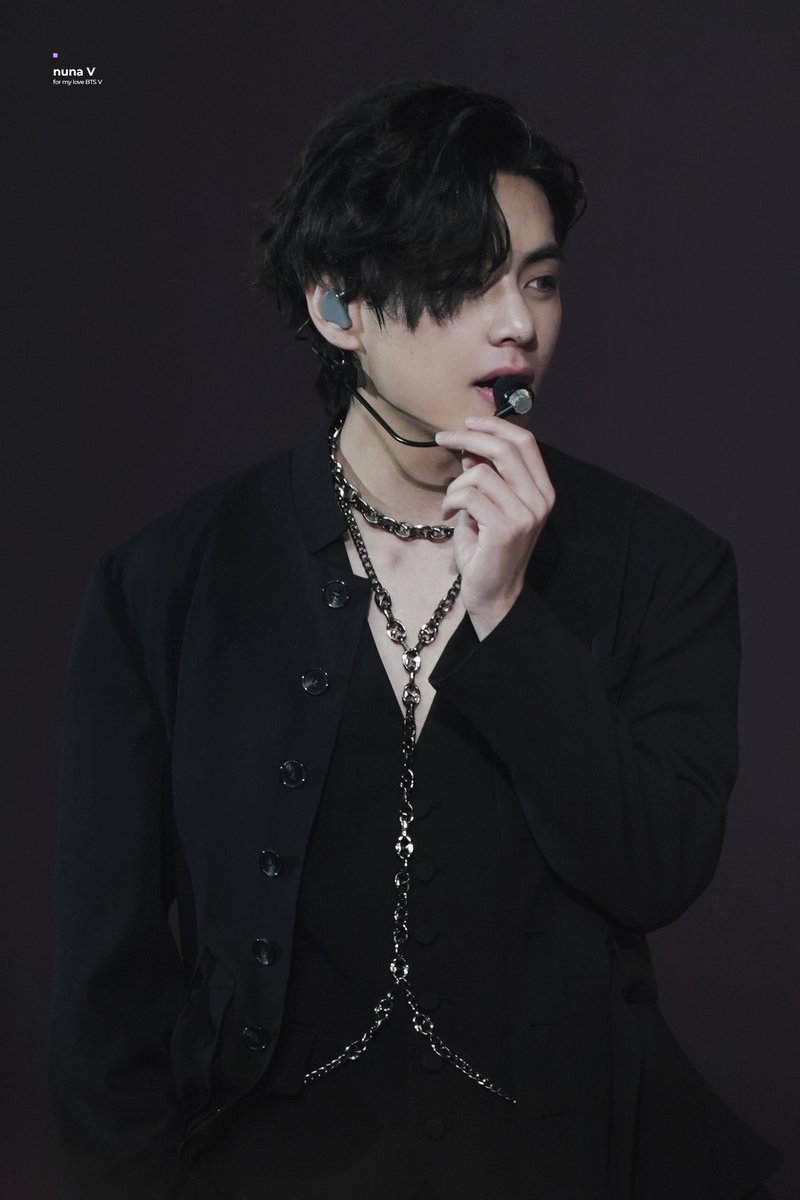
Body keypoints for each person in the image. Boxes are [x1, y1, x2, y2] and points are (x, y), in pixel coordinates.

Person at [50, 81, 782, 1199]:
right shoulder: (165, 583)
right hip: (269, 1165)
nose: (517, 323)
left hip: (565, 1162)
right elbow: (105, 979)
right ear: (337, 306)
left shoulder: (664, 563)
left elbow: (657, 871)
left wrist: (508, 614)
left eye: (538, 279)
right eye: (466, 278)